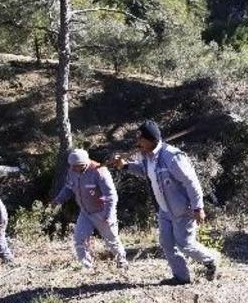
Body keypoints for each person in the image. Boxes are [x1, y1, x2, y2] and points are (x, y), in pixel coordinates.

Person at [112, 120, 218, 284]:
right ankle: (181, 277)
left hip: (183, 209)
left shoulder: (172, 157)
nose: (137, 143)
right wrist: (125, 166)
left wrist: (198, 207)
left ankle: (210, 260)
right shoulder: (147, 157)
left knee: (185, 244)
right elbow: (145, 172)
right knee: (167, 243)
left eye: (141, 140)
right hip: (164, 209)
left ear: (151, 140)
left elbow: (191, 182)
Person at [52, 149, 128, 269]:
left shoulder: (99, 171)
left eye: (77, 166)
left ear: (84, 164)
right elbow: (68, 187)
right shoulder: (72, 171)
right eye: (72, 166)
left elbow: (111, 196)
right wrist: (58, 200)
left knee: (111, 239)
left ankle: (122, 261)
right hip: (85, 212)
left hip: (102, 211)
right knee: (79, 239)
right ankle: (86, 266)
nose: (74, 169)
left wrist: (107, 215)